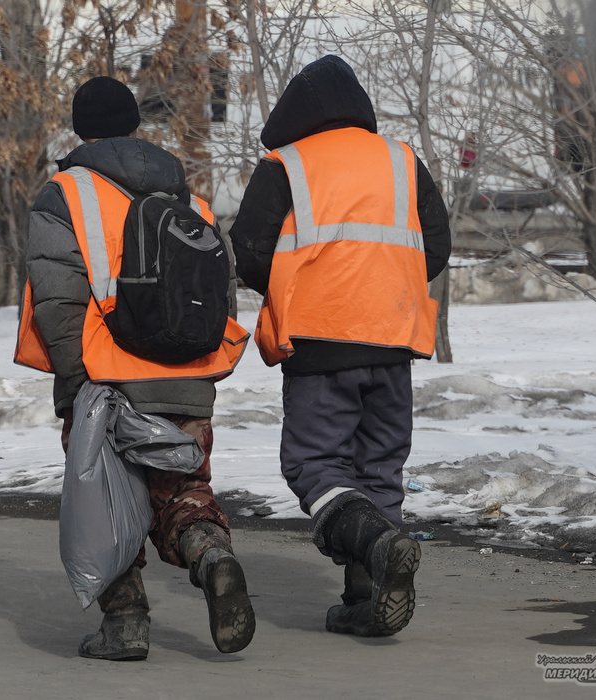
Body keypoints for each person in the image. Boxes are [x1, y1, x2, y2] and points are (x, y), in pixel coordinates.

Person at [15, 76, 256, 660]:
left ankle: (125, 625)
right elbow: (219, 293)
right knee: (184, 491)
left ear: (79, 130)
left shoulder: (65, 194)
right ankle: (211, 556)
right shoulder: (186, 196)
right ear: (134, 125)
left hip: (105, 380)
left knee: (107, 505)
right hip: (186, 378)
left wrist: (79, 384)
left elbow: (57, 299)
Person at [229, 56, 452, 638]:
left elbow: (249, 250)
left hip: (319, 339)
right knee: (379, 468)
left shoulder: (286, 165)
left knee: (314, 464)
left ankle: (378, 546)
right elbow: (436, 246)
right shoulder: (402, 160)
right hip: (394, 338)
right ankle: (367, 598)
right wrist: (384, 287)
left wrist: (298, 287)